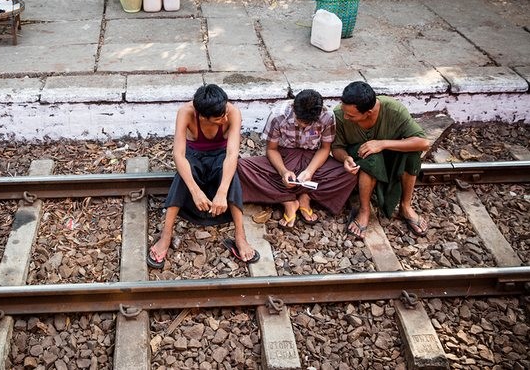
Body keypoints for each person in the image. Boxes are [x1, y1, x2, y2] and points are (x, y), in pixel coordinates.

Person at [148, 84, 258, 269]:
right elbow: (178, 155)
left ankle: (240, 236)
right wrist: (195, 191)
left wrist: (222, 192)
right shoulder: (186, 112)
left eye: (224, 113)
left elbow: (232, 155)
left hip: (221, 156)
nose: (224, 119)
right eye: (218, 118)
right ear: (201, 115)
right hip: (194, 156)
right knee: (183, 175)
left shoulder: (232, 112)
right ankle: (165, 235)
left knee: (231, 175)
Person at [237, 89, 357, 227]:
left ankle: (305, 197)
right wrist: (283, 172)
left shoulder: (327, 116)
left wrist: (309, 172)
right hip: (284, 157)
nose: (303, 125)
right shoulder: (278, 115)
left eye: (308, 123)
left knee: (349, 175)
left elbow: (325, 148)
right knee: (241, 167)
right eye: (300, 120)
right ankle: (288, 201)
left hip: (312, 159)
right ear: (294, 107)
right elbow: (271, 150)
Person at [332, 81, 430, 239]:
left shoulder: (394, 109)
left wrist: (382, 144)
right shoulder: (339, 114)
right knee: (371, 157)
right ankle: (364, 210)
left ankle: (405, 206)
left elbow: (423, 143)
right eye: (344, 111)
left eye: (351, 115)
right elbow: (336, 147)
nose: (345, 117)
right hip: (363, 159)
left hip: (390, 155)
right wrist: (345, 158)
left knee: (412, 154)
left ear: (368, 112)